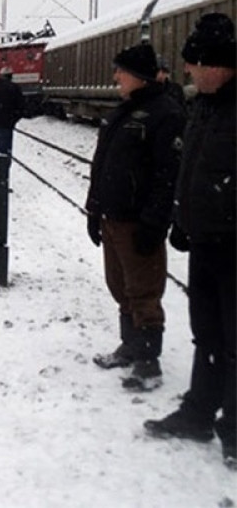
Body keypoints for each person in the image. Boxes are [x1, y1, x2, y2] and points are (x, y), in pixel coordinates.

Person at [144, 12, 236, 468]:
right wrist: (182, 218)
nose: (186, 72)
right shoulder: (205, 104)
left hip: (232, 244)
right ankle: (200, 412)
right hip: (205, 241)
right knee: (208, 334)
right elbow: (194, 168)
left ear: (216, 64)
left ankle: (234, 430)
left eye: (193, 64)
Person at [85, 42, 186, 391]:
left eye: (121, 71)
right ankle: (129, 347)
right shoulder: (122, 111)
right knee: (120, 288)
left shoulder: (165, 114)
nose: (115, 76)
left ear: (139, 76)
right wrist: (93, 207)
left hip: (138, 221)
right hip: (112, 217)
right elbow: (101, 164)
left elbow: (167, 175)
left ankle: (148, 361)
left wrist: (155, 221)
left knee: (143, 292)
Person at [0, 67, 25, 155]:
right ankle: (2, 167)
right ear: (11, 76)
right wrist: (12, 120)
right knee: (4, 154)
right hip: (6, 126)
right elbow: (21, 108)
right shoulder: (15, 88)